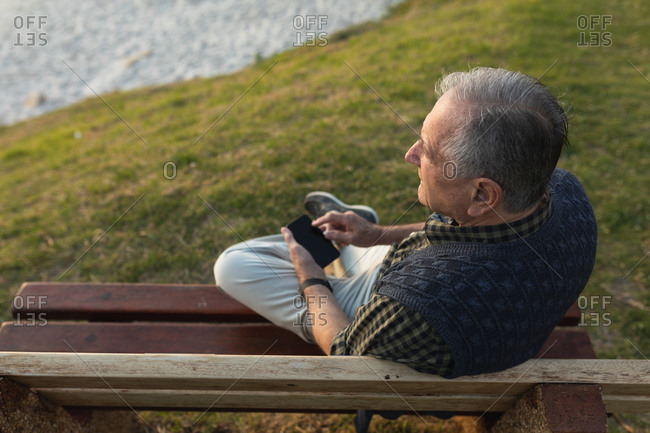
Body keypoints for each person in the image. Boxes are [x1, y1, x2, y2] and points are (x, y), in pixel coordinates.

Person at [214, 67, 597, 380]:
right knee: (348, 244)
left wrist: (311, 277)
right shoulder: (565, 194)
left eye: (427, 150)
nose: (410, 154)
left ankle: (328, 268)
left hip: (394, 303)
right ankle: (360, 235)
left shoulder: (418, 307)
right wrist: (376, 235)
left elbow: (345, 351)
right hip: (420, 277)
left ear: (482, 194)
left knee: (234, 265)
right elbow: (453, 236)